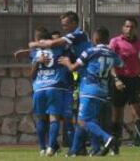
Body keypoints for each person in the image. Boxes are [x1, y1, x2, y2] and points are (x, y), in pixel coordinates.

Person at [59, 26, 124, 157]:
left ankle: (108, 138)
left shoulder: (89, 51)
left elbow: (73, 68)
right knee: (89, 121)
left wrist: (66, 62)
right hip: (103, 91)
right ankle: (78, 150)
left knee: (83, 121)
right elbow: (121, 64)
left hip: (89, 89)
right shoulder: (112, 53)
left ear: (95, 38)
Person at [109, 17, 140, 155]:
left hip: (134, 81)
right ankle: (114, 146)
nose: (129, 29)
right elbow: (110, 62)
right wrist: (116, 79)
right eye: (127, 26)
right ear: (123, 28)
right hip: (119, 80)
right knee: (117, 114)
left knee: (137, 111)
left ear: (136, 29)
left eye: (132, 27)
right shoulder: (115, 42)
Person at [28, 26, 73, 157]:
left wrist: (37, 61)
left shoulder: (34, 53)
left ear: (37, 39)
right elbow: (69, 48)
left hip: (39, 89)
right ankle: (51, 148)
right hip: (54, 87)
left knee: (41, 119)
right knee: (54, 119)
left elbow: (31, 75)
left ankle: (42, 148)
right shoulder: (59, 49)